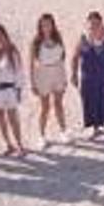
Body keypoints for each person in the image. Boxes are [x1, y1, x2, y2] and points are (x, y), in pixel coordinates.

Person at [70, 11, 104, 138]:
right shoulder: (83, 38)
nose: (94, 26)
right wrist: (73, 74)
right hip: (89, 77)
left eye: (97, 23)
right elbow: (75, 57)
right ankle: (95, 128)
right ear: (87, 25)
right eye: (91, 24)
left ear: (101, 23)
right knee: (90, 101)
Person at [0, 25, 26, 156]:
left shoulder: (12, 51)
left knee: (13, 118)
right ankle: (8, 144)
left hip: (9, 89)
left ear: (4, 35)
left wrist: (19, 89)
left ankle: (20, 145)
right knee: (0, 118)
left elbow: (19, 71)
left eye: (0, 34)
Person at [30, 13, 69, 146]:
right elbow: (31, 63)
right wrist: (33, 82)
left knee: (58, 104)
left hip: (58, 71)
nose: (46, 27)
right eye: (44, 24)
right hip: (43, 73)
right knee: (45, 107)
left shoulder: (58, 38)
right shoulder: (36, 41)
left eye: (49, 24)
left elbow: (63, 57)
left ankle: (63, 131)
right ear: (40, 26)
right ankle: (41, 135)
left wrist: (64, 76)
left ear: (53, 25)